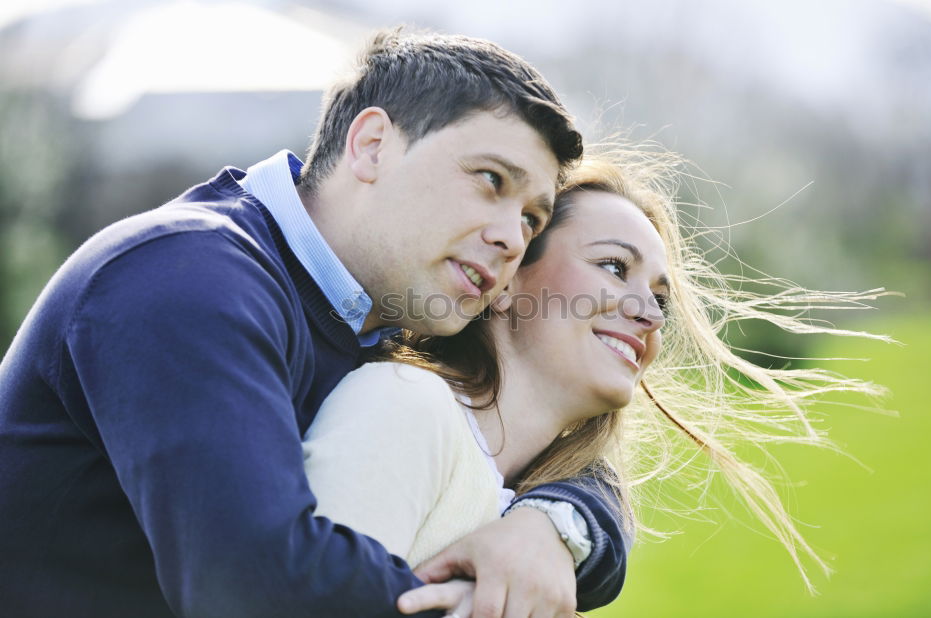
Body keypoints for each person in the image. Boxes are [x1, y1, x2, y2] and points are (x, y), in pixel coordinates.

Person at [0, 29, 629, 617]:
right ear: (372, 145)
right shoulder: (186, 278)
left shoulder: (383, 309)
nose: (508, 238)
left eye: (532, 220)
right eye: (490, 180)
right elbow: (255, 583)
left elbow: (566, 452)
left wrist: (553, 526)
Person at [301, 146, 890, 615]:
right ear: (506, 280)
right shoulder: (405, 407)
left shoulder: (539, 513)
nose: (651, 314)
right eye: (614, 267)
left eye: (660, 297)